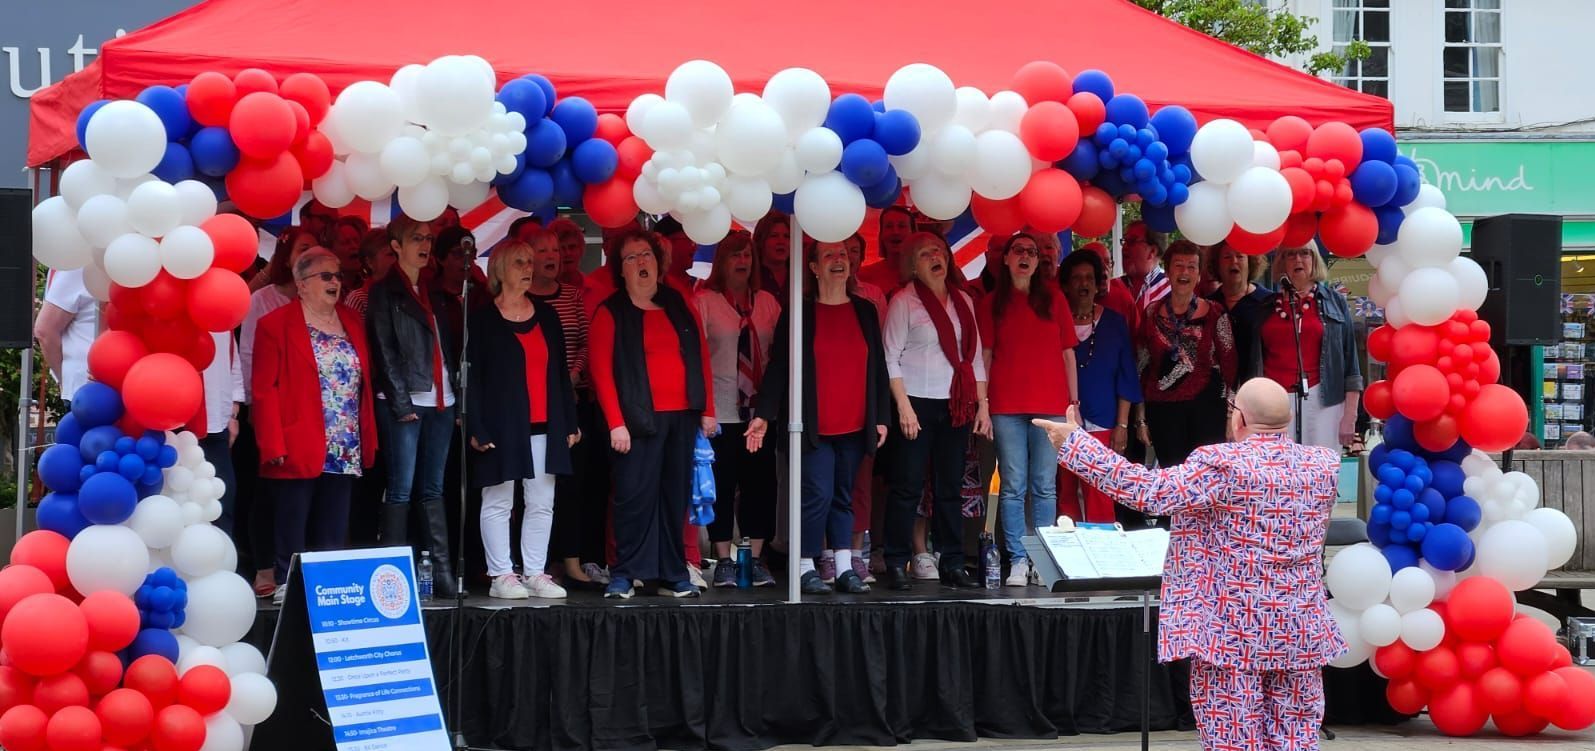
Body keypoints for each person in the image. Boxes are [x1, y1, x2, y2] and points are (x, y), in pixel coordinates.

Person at [1034, 377, 1345, 751]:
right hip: (1299, 628)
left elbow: (1148, 493)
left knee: (1234, 742)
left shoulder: (1223, 465)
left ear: (1239, 419)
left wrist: (1075, 444)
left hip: (1231, 632)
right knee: (1296, 740)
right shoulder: (1322, 465)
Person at [746, 239, 889, 594]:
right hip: (813, 425)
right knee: (817, 495)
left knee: (844, 494)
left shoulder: (865, 311)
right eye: (829, 255)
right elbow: (779, 366)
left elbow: (879, 369)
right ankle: (805, 565)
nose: (838, 260)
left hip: (856, 422)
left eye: (842, 254)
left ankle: (843, 566)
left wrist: (881, 416)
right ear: (812, 267)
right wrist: (763, 415)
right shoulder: (798, 313)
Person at [589, 230, 717, 599]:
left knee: (673, 498)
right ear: (621, 270)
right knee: (633, 498)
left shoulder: (678, 303)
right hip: (635, 421)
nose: (641, 262)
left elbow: (700, 355)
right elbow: (601, 372)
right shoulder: (610, 311)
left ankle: (672, 574)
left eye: (646, 255)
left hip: (681, 418)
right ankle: (625, 574)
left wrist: (707, 410)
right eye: (631, 258)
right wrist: (616, 422)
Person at [251, 249, 377, 604]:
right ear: (302, 284)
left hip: (344, 441)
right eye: (326, 276)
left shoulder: (353, 322)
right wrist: (272, 443)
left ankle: (330, 587)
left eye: (337, 276)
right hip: (296, 439)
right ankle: (287, 583)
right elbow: (264, 390)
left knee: (334, 525)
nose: (335, 282)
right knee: (293, 519)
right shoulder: (274, 325)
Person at [467, 240, 581, 600]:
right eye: (519, 262)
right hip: (501, 426)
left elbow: (560, 373)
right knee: (499, 500)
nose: (528, 268)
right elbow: (474, 378)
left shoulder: (546, 315)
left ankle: (535, 572)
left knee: (541, 501)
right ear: (500, 269)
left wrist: (571, 421)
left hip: (545, 423)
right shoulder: (483, 318)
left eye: (529, 261)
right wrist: (476, 427)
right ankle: (501, 574)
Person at [881, 232, 989, 590]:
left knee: (950, 488)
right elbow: (890, 356)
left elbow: (972, 360)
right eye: (926, 253)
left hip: (954, 404)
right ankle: (897, 560)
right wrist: (903, 407)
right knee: (907, 485)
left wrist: (983, 406)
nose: (935, 257)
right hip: (915, 401)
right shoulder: (903, 301)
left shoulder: (963, 301)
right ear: (913, 265)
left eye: (940, 251)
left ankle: (952, 561)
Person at [977, 232, 1078, 586]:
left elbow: (1068, 352)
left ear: (1039, 261)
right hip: (1006, 404)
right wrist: (984, 404)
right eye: (1018, 251)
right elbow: (985, 356)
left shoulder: (1054, 297)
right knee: (1013, 485)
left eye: (1032, 252)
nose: (1025, 257)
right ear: (1005, 259)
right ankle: (1018, 559)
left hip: (1051, 405)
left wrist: (1073, 404)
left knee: (1045, 486)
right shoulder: (991, 302)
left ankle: (1043, 560)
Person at [367, 215, 461, 597]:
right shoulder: (383, 291)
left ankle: (440, 572)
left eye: (428, 238)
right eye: (416, 238)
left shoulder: (436, 291)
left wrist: (453, 394)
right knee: (402, 488)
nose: (425, 244)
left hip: (442, 399)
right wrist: (402, 402)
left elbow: (448, 348)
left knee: (433, 487)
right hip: (406, 400)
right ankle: (393, 576)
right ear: (396, 246)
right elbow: (384, 350)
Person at [694, 234, 781, 587]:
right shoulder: (705, 301)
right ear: (721, 262)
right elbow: (695, 358)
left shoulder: (768, 303)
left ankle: (755, 558)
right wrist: (704, 409)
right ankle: (724, 558)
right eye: (734, 255)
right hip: (721, 412)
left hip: (758, 413)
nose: (742, 260)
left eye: (747, 254)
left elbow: (779, 358)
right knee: (723, 484)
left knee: (760, 484)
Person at [522, 230, 603, 589]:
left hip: (571, 403)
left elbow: (586, 341)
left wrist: (569, 377)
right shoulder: (519, 301)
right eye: (543, 249)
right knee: (531, 488)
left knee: (572, 485)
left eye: (556, 249)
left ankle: (570, 560)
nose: (552, 255)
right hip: (532, 406)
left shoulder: (571, 296)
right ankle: (534, 564)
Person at [1136, 240, 1236, 473]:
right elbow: (1140, 368)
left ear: (1199, 275)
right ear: (1168, 271)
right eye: (1179, 266)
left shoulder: (1216, 313)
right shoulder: (1151, 313)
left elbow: (1231, 368)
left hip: (1208, 411)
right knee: (1173, 481)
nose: (1185, 272)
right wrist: (1140, 420)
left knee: (1206, 479)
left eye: (1191, 267)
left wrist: (1231, 417)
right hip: (1163, 413)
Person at [1057, 251, 1142, 524]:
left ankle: (1103, 552)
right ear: (1066, 285)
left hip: (1104, 420)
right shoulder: (1055, 321)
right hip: (1062, 419)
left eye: (1089, 278)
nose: (1084, 284)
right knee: (1065, 490)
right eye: (1077, 278)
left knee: (1099, 491)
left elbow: (1127, 376)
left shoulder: (1115, 322)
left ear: (1097, 284)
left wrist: (1123, 425)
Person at [1259, 246, 1363, 450]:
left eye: (1305, 253)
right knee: (1278, 470)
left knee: (1321, 470)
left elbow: (1351, 363)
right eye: (1291, 254)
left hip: (1325, 400)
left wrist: (1350, 415)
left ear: (1315, 260)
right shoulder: (1265, 306)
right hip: (1273, 401)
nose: (1298, 259)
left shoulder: (1335, 302)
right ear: (1281, 262)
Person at [242, 228, 318, 400]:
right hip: (272, 395)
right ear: (286, 258)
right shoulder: (261, 299)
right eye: (304, 249)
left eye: (316, 249)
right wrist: (253, 399)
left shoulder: (322, 298)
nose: (313, 256)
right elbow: (248, 352)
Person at [1206, 242, 1271, 384]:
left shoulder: (1268, 303)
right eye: (1227, 257)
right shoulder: (1207, 306)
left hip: (1257, 393)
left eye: (1240, 256)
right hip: (1216, 394)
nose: (1234, 261)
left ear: (1250, 262)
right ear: (1217, 264)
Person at [199, 330, 244, 535]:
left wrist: (233, 412)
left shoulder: (221, 306)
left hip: (217, 421)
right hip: (175, 423)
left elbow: (232, 360)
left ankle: (221, 561)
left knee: (223, 499)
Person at [35, 269, 97, 404]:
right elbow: (45, 331)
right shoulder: (80, 266)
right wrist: (65, 379)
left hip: (130, 384)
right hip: (88, 387)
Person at [856, 206, 914, 292]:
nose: (895, 232)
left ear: (913, 233)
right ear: (881, 234)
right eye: (889, 226)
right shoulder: (862, 276)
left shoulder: (926, 274)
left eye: (902, 226)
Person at [343, 228, 398, 316]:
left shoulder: (406, 295)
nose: (397, 260)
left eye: (398, 254)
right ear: (370, 262)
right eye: (390, 254)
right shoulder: (359, 299)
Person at [1120, 221, 1168, 318]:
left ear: (1152, 251)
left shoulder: (1171, 291)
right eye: (1124, 241)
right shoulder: (1113, 287)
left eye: (1132, 241)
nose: (1124, 247)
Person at [844, 232, 887, 320]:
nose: (848, 256)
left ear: (862, 258)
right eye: (843, 250)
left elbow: (883, 332)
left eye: (854, 251)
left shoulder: (875, 295)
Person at [753, 212, 793, 306]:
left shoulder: (800, 276)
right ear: (761, 240)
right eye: (774, 236)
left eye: (787, 236)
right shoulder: (749, 275)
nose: (781, 242)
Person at [330, 216, 370, 291]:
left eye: (357, 241)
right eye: (346, 242)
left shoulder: (367, 284)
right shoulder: (328, 287)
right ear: (331, 251)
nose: (354, 246)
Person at [548, 217, 589, 286]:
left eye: (572, 247)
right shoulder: (537, 291)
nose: (568, 253)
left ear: (581, 249)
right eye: (561, 248)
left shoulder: (596, 289)